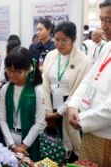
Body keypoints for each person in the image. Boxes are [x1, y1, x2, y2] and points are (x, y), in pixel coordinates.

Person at [68, 0, 111, 166]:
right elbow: (89, 79)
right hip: (89, 130)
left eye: (109, 20)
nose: (104, 26)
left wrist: (82, 120)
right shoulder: (106, 47)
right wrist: (73, 105)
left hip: (106, 137)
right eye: (102, 20)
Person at [43, 21, 91, 163]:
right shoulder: (50, 56)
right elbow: (45, 84)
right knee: (51, 143)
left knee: (70, 146)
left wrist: (58, 114)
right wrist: (48, 112)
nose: (59, 44)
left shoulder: (83, 61)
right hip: (51, 105)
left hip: (70, 108)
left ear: (74, 39)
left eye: (64, 40)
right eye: (56, 40)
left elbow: (79, 91)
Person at [0, 46, 45, 161]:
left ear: (28, 69)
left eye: (18, 71)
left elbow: (39, 122)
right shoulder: (5, 89)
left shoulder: (36, 90)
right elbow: (1, 119)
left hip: (30, 141)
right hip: (9, 140)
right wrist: (12, 145)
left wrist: (24, 146)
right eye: (9, 70)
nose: (12, 74)